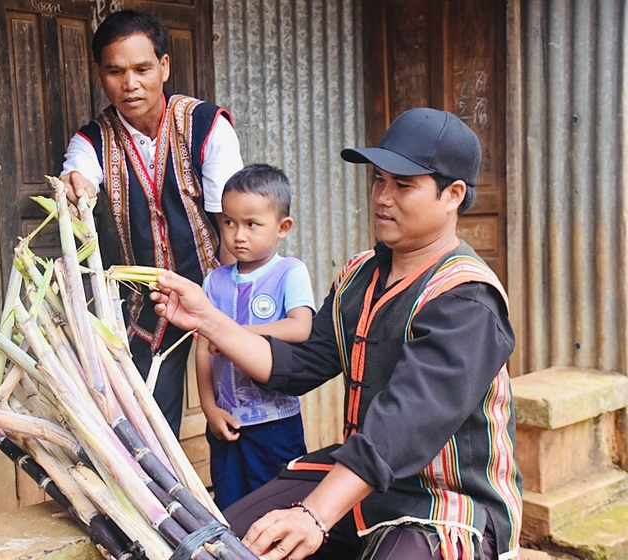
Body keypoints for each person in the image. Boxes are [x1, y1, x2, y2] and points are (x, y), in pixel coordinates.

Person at [151, 108, 523, 560]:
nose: (383, 197)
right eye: (379, 180)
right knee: (226, 541)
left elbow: (403, 425)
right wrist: (208, 319)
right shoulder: (360, 275)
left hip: (443, 501)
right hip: (359, 476)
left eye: (403, 186)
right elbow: (302, 363)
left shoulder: (466, 300)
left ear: (453, 195)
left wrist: (313, 515)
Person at [58, 10, 244, 437]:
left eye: (142, 68)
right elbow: (79, 175)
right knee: (148, 427)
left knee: (238, 415)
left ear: (164, 65)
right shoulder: (92, 140)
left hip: (214, 291)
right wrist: (77, 186)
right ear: (98, 74)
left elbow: (230, 222)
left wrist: (231, 314)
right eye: (115, 72)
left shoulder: (205, 126)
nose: (130, 84)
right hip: (149, 309)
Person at [197, 164, 315, 510]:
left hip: (275, 423)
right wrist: (208, 407)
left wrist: (235, 334)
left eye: (252, 224)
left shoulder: (288, 272)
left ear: (283, 227)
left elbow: (300, 327)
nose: (238, 235)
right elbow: (204, 349)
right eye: (229, 222)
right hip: (227, 422)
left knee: (283, 506)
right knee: (232, 508)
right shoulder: (215, 282)